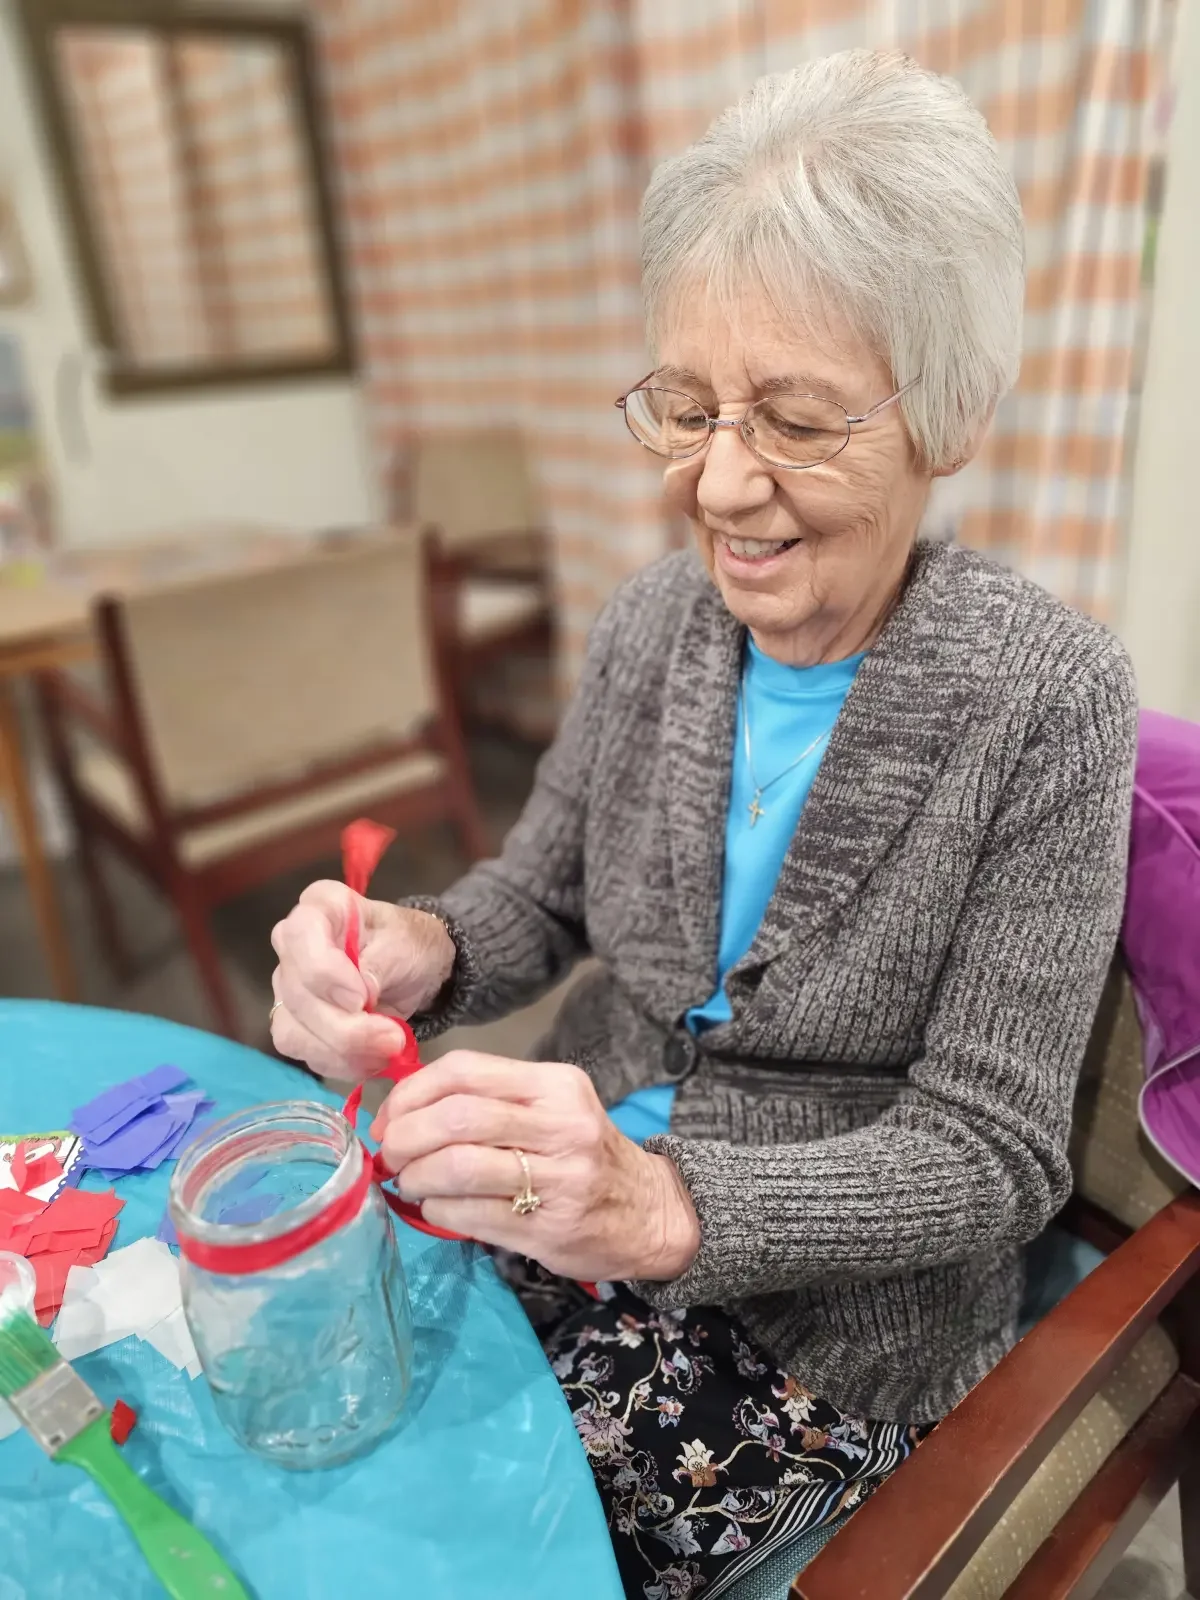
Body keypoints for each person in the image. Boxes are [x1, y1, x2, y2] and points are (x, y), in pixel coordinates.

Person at [270, 49, 1138, 1599]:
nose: (719, 484)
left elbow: (994, 1152)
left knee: (478, 1543)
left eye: (794, 421)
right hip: (567, 1186)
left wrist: (673, 1206)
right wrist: (417, 946)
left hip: (822, 1320)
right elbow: (536, 901)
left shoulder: (1048, 698)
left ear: (947, 417)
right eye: (688, 406)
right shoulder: (650, 623)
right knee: (322, 1416)